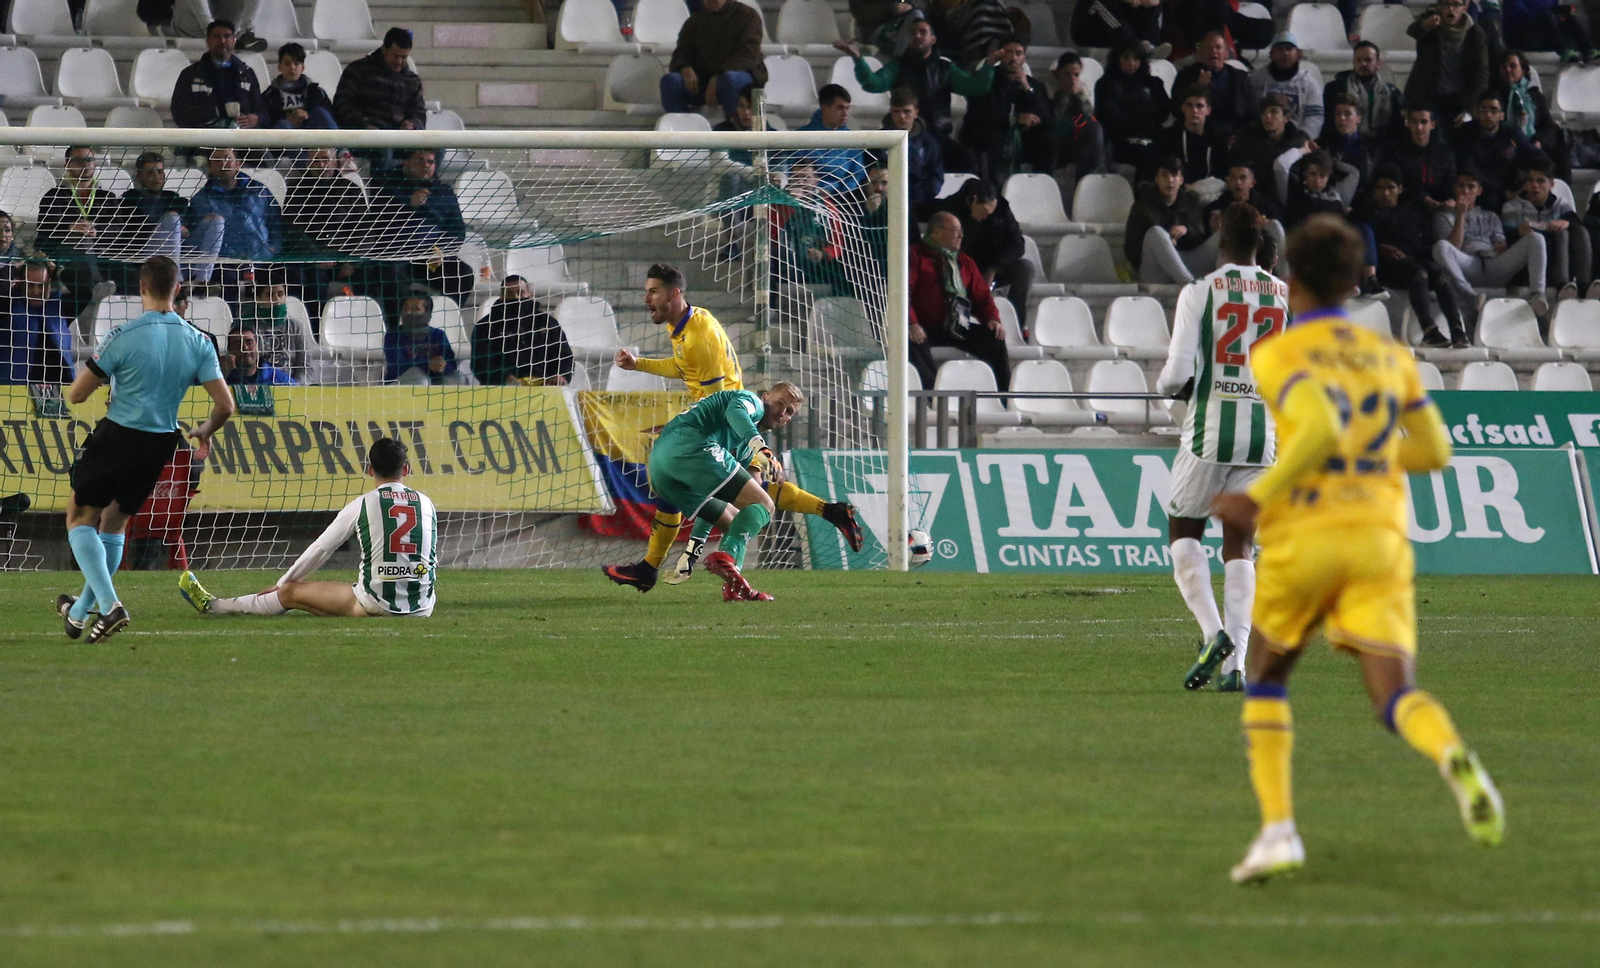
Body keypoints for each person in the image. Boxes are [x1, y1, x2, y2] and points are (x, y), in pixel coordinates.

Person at [1212, 213, 1504, 884]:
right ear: (1355, 281)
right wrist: (1369, 462)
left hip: (1306, 537)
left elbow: (1317, 424)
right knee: (1395, 694)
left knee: (1267, 676)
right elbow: (1434, 451)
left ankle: (1279, 831)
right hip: (1378, 539)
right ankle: (1451, 753)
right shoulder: (1390, 356)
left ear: (1291, 279)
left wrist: (1259, 496)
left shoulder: (1279, 354)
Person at [614, 264, 862, 583]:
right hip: (725, 417)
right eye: (646, 291)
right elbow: (683, 367)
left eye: (653, 292)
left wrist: (692, 430)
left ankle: (680, 563)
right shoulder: (689, 323)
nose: (646, 298)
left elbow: (718, 402)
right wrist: (639, 364)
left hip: (727, 422)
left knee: (733, 494)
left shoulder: (699, 337)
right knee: (741, 492)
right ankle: (828, 511)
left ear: (674, 293)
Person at [56, 256, 235, 643]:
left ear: (141, 288)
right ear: (178, 289)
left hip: (118, 434)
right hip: (159, 444)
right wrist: (205, 430)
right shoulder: (199, 340)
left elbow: (76, 394)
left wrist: (112, 380)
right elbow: (225, 405)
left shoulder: (123, 335)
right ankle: (81, 611)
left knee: (80, 517)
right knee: (115, 524)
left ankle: (110, 605)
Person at [1155, 203, 1285, 694]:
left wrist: (1169, 392)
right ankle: (1237, 668)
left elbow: (1175, 375)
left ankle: (1215, 636)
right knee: (1241, 544)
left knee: (1184, 531)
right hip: (1262, 435)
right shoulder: (1283, 295)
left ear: (1220, 239)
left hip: (1210, 430)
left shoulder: (1200, 291)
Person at [179, 437, 439, 619]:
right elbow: (430, 558)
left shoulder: (363, 504)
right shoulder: (426, 504)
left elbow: (321, 549)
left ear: (370, 470)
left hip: (375, 603)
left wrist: (282, 583)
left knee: (290, 592)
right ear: (406, 469)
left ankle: (216, 606)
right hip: (422, 606)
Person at [602, 384, 806, 602]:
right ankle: (725, 559)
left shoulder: (743, 450)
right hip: (690, 444)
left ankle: (731, 587)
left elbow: (713, 495)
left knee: (735, 523)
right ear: (765, 396)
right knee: (765, 505)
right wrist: (762, 448)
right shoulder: (751, 401)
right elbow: (736, 411)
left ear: (789, 420)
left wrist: (692, 551)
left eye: (789, 411)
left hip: (661, 467)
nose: (781, 412)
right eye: (779, 403)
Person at [835, 18, 999, 172]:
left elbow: (976, 87)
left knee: (967, 160)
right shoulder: (898, 65)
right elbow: (873, 84)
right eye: (913, 33)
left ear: (933, 39)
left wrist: (989, 65)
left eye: (922, 32)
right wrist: (857, 59)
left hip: (937, 137)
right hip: (902, 136)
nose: (917, 36)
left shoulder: (945, 68)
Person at [1356, 165, 1468, 346]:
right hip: (1387, 267)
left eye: (1390, 188)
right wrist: (1380, 248)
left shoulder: (1411, 211)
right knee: (1419, 274)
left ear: (1400, 189)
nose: (1385, 193)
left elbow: (1422, 243)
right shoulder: (1366, 214)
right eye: (1380, 188)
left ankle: (1458, 331)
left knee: (1441, 277)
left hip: (1414, 260)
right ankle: (1429, 331)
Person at [907, 211, 1009, 391]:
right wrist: (911, 323)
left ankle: (1002, 396)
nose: (961, 235)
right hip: (924, 327)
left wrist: (992, 319)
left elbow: (982, 296)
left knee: (994, 339)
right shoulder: (914, 256)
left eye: (961, 230)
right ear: (937, 232)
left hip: (957, 326)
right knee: (912, 341)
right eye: (955, 230)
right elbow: (902, 293)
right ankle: (933, 397)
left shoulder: (965, 261)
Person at [1434, 167, 1551, 321]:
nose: (1465, 191)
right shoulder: (1445, 216)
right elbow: (1453, 247)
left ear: (1479, 191)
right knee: (1441, 246)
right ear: (1455, 188)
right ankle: (1468, 296)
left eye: (1471, 187)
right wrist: (1460, 215)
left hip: (1494, 263)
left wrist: (1502, 245)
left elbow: (1499, 243)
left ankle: (1538, 295)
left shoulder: (1490, 216)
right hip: (1467, 265)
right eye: (1461, 186)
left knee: (1536, 238)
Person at [371, 148, 474, 305]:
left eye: (430, 162)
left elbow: (457, 230)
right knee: (390, 275)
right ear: (406, 162)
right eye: (420, 160)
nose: (426, 165)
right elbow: (378, 222)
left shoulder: (444, 192)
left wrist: (441, 251)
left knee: (463, 274)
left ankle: (447, 315)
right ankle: (397, 319)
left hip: (430, 257)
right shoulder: (387, 186)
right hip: (397, 255)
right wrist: (408, 205)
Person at [957, 35, 1054, 186]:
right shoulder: (987, 78)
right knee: (993, 137)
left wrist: (1026, 88)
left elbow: (1046, 117)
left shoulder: (1033, 84)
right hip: (991, 133)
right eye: (1009, 53)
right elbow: (981, 113)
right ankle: (994, 188)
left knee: (1047, 139)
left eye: (1018, 53)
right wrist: (1014, 119)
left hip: (1021, 137)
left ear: (1024, 57)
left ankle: (1042, 186)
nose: (1013, 58)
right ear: (1001, 55)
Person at [121, 152, 226, 287]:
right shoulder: (130, 199)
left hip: (182, 254)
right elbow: (135, 235)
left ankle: (202, 282)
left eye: (159, 172)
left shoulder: (174, 199)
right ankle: (177, 283)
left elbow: (191, 222)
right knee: (173, 218)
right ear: (139, 176)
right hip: (150, 258)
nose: (156, 177)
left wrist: (184, 228)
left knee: (216, 220)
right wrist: (171, 228)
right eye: (150, 172)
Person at [938, 178, 1033, 327]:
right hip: (964, 267)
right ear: (973, 201)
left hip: (992, 266)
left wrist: (994, 268)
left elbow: (1017, 244)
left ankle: (1017, 323)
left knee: (1025, 269)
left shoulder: (1001, 209)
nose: (987, 217)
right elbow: (954, 249)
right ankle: (959, 324)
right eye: (984, 212)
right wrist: (973, 222)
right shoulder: (952, 209)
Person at [188, 147, 283, 289]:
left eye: (228, 158)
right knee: (228, 282)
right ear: (210, 167)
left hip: (263, 261)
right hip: (224, 266)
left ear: (238, 163)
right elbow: (201, 240)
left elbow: (276, 223)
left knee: (291, 277)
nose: (223, 163)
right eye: (217, 160)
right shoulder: (200, 200)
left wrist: (273, 248)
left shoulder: (259, 191)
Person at [660, 0, 767, 120]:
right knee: (670, 81)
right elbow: (681, 51)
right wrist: (685, 67)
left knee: (730, 79)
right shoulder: (695, 21)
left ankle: (734, 127)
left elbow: (749, 54)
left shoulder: (748, 15)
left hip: (744, 77)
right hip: (704, 80)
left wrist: (718, 75)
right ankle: (681, 127)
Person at [1502, 162, 1589, 300]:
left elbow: (1578, 224)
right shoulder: (1512, 207)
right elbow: (1504, 241)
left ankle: (1584, 287)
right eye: (1530, 180)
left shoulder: (1560, 205)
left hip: (1555, 263)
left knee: (1574, 231)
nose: (1535, 185)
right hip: (1526, 267)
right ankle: (1562, 286)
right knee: (1557, 236)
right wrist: (1518, 233)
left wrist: (1568, 222)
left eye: (1540, 181)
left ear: (1551, 184)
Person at [1455, 90, 1551, 212]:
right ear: (1477, 113)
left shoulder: (1512, 133)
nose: (1488, 115)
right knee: (1491, 200)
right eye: (1483, 110)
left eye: (1493, 110)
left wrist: (1527, 180)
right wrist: (1504, 193)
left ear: (1502, 114)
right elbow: (1469, 170)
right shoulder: (1465, 133)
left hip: (1512, 186)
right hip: (1481, 189)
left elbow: (1538, 157)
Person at [470, 274, 574, 387]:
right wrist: (504, 378)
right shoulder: (485, 326)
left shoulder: (547, 322)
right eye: (509, 294)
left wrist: (560, 375)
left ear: (529, 294)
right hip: (501, 388)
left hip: (545, 387)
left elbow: (564, 355)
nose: (516, 297)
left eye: (520, 293)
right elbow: (480, 363)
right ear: (501, 296)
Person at [1125, 155, 1209, 284]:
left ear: (1181, 180)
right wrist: (1164, 244)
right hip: (1154, 268)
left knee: (1222, 236)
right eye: (1164, 175)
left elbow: (1200, 236)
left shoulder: (1191, 202)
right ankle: (1190, 286)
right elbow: (1131, 251)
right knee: (1156, 233)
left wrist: (1186, 230)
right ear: (1157, 179)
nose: (1170, 180)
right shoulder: (1142, 207)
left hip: (1185, 262)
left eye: (1174, 175)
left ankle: (1228, 289)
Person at [171, 20, 268, 129]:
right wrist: (217, 111)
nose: (222, 41)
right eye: (216, 36)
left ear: (234, 41)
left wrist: (257, 118)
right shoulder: (190, 74)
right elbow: (180, 114)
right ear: (208, 41)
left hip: (241, 135)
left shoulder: (247, 74)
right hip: (204, 134)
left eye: (227, 36)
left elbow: (261, 110)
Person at [1406, 1, 1490, 125]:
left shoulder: (1475, 33)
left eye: (1456, 4)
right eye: (1446, 4)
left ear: (1464, 8)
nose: (1450, 9)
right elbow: (1412, 31)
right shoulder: (1432, 25)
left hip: (1461, 98)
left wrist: (1471, 109)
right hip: (1430, 96)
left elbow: (1481, 72)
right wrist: (1425, 24)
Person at [1492, 49, 1569, 180]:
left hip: (1534, 144)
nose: (1508, 70)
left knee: (1560, 153)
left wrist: (1538, 141)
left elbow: (1547, 126)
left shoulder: (1534, 95)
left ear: (1523, 69)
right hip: (1506, 145)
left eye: (1513, 66)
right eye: (1504, 67)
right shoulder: (1494, 97)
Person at [1095, 42, 1171, 172]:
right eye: (1126, 58)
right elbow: (1110, 114)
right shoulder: (1105, 84)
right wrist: (1142, 119)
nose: (1131, 63)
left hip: (1152, 132)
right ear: (1117, 59)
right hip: (1120, 137)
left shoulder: (1153, 83)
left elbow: (1163, 109)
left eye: (1136, 59)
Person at [333, 27, 426, 133]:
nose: (399, 62)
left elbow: (419, 114)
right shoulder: (358, 70)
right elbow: (342, 105)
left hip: (400, 137)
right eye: (395, 56)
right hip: (364, 135)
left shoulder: (412, 81)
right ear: (384, 49)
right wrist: (364, 124)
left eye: (404, 57)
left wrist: (412, 124)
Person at [1, 260, 75, 385]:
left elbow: (85, 290)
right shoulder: (8, 305)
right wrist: (14, 268)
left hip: (61, 387)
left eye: (42, 286)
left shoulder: (59, 306)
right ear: (21, 283)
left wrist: (57, 270)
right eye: (30, 285)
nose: (36, 292)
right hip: (16, 388)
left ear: (49, 283)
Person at [1170, 32, 1255, 138]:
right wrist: (1199, 88)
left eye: (1218, 48)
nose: (1214, 51)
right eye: (1208, 48)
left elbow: (1252, 113)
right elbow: (1176, 110)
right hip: (1197, 133)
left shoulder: (1240, 78)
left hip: (1232, 133)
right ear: (1200, 53)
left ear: (1226, 53)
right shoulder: (1186, 76)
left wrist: (1239, 136)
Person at [1323, 41, 1404, 141]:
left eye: (1368, 60)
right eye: (1358, 60)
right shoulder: (1334, 89)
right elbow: (1328, 125)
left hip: (1382, 146)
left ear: (1378, 63)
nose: (1363, 64)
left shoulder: (1392, 93)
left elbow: (1397, 128)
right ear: (1353, 62)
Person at [1249, 33, 1323, 141]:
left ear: (1298, 54)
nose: (1285, 53)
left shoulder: (1309, 84)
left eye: (1289, 49)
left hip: (1298, 139)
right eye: (1280, 49)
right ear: (1271, 54)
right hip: (1262, 138)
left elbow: (1315, 117)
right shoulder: (1255, 80)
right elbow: (1249, 113)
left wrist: (1303, 138)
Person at [1382, 106, 1458, 212]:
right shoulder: (1397, 154)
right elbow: (1399, 186)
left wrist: (1451, 200)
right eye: (1414, 122)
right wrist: (1423, 199)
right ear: (1408, 124)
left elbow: (1450, 183)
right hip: (1407, 207)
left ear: (1432, 125)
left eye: (1424, 122)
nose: (1419, 127)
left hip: (1441, 207)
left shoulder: (1445, 154)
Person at [880, 88, 944, 208]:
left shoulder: (928, 142)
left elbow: (936, 175)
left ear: (916, 113)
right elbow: (870, 173)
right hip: (887, 200)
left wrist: (924, 195)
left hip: (920, 202)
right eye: (896, 111)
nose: (901, 116)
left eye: (907, 111)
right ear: (891, 112)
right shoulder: (878, 140)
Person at [798, 85, 870, 194]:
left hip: (844, 198)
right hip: (807, 196)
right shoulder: (801, 136)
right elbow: (794, 171)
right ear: (824, 108)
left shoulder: (852, 139)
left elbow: (857, 174)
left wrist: (841, 193)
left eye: (847, 108)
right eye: (839, 108)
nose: (845, 114)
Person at [1229, 94, 1310, 190]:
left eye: (1274, 112)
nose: (1267, 116)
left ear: (1286, 118)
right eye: (1264, 112)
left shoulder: (1299, 142)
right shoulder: (1247, 139)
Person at [1151, 86, 1229, 185]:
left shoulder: (1218, 141)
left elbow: (1222, 173)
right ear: (1183, 108)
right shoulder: (1167, 138)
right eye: (1189, 105)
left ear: (1208, 110)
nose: (1194, 110)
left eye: (1199, 106)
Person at [383, 289, 458, 385]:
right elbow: (397, 366)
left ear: (427, 314)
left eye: (415, 309)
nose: (409, 312)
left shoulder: (438, 335)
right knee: (417, 376)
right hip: (399, 385)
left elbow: (451, 364)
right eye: (406, 308)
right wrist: (428, 364)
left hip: (434, 383)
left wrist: (442, 366)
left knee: (458, 377)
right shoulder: (393, 334)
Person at [264, 43, 338, 130]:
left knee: (320, 113)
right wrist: (288, 120)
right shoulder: (270, 95)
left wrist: (308, 116)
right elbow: (265, 123)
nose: (292, 67)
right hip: (284, 133)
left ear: (302, 67)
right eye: (287, 63)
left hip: (312, 132)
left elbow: (331, 116)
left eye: (296, 64)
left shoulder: (316, 92)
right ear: (279, 67)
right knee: (282, 124)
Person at [1503, 0, 1592, 63]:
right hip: (1522, 40)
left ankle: (1587, 50)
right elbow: (1519, 16)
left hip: (1546, 37)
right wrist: (1550, 12)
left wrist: (1560, 12)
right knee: (1547, 16)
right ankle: (1563, 52)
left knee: (1567, 15)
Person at [1069, 0, 1168, 55]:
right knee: (1101, 3)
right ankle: (1135, 46)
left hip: (1115, 31)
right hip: (1088, 28)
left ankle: (1150, 46)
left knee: (1152, 3)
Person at [1322, 94, 1379, 188]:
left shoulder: (1372, 145)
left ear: (1358, 119)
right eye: (1338, 113)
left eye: (1347, 114)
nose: (1341, 118)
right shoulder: (1324, 143)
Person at [221, 323, 295, 385]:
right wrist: (222, 374)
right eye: (237, 344)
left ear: (258, 347)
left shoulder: (279, 379)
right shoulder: (222, 377)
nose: (245, 348)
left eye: (249, 343)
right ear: (229, 350)